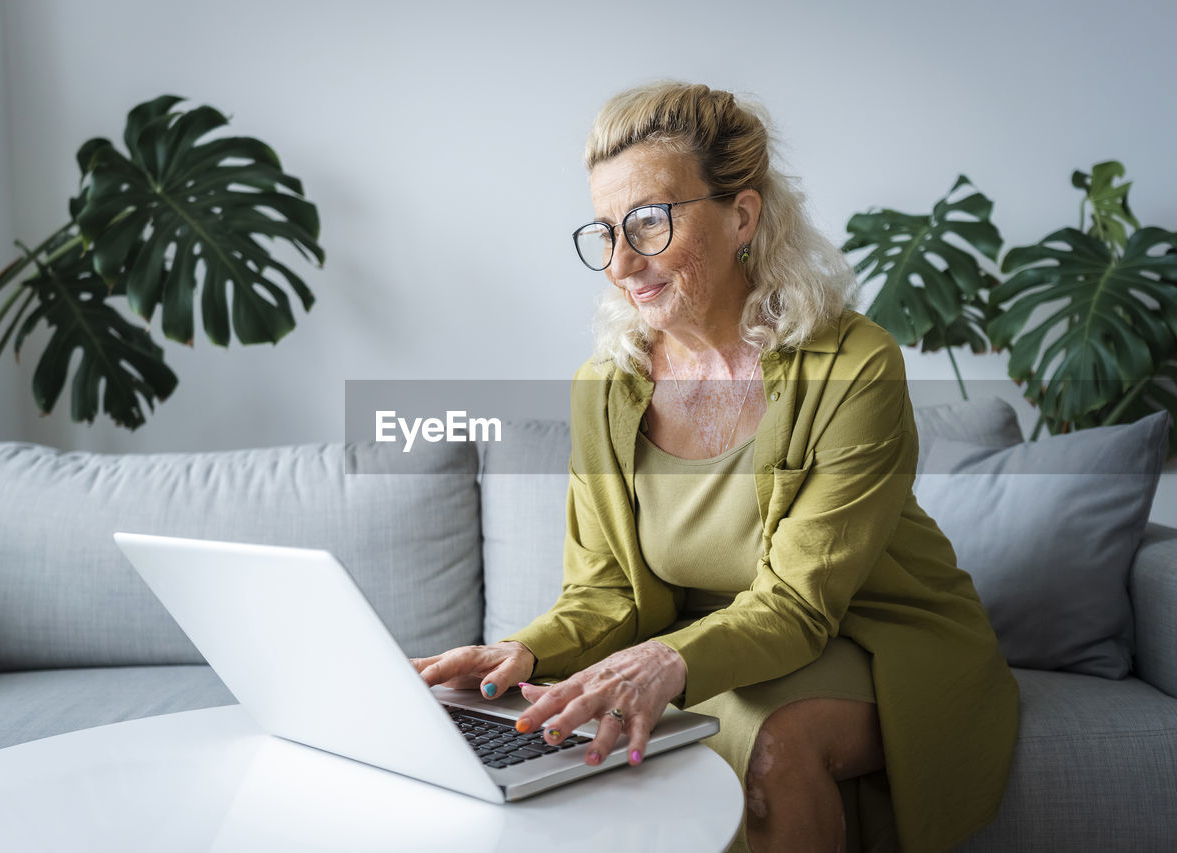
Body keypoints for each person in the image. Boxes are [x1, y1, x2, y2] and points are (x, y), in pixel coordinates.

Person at [413, 81, 1019, 853]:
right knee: (605, 737)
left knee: (766, 744)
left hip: (879, 640)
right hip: (716, 645)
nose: (622, 263)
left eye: (650, 222)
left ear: (743, 214)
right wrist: (524, 651)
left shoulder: (855, 364)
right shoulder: (606, 388)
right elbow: (603, 588)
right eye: (605, 231)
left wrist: (663, 661)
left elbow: (800, 606)